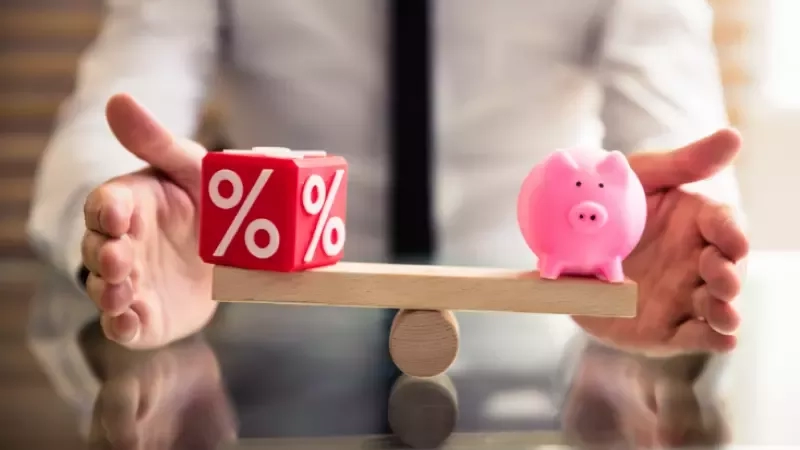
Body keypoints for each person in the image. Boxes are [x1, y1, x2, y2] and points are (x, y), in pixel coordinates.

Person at [26, 0, 748, 398]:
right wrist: (122, 221)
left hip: (548, 355)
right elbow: (115, 109)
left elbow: (677, 119)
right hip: (268, 347)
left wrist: (674, 226)